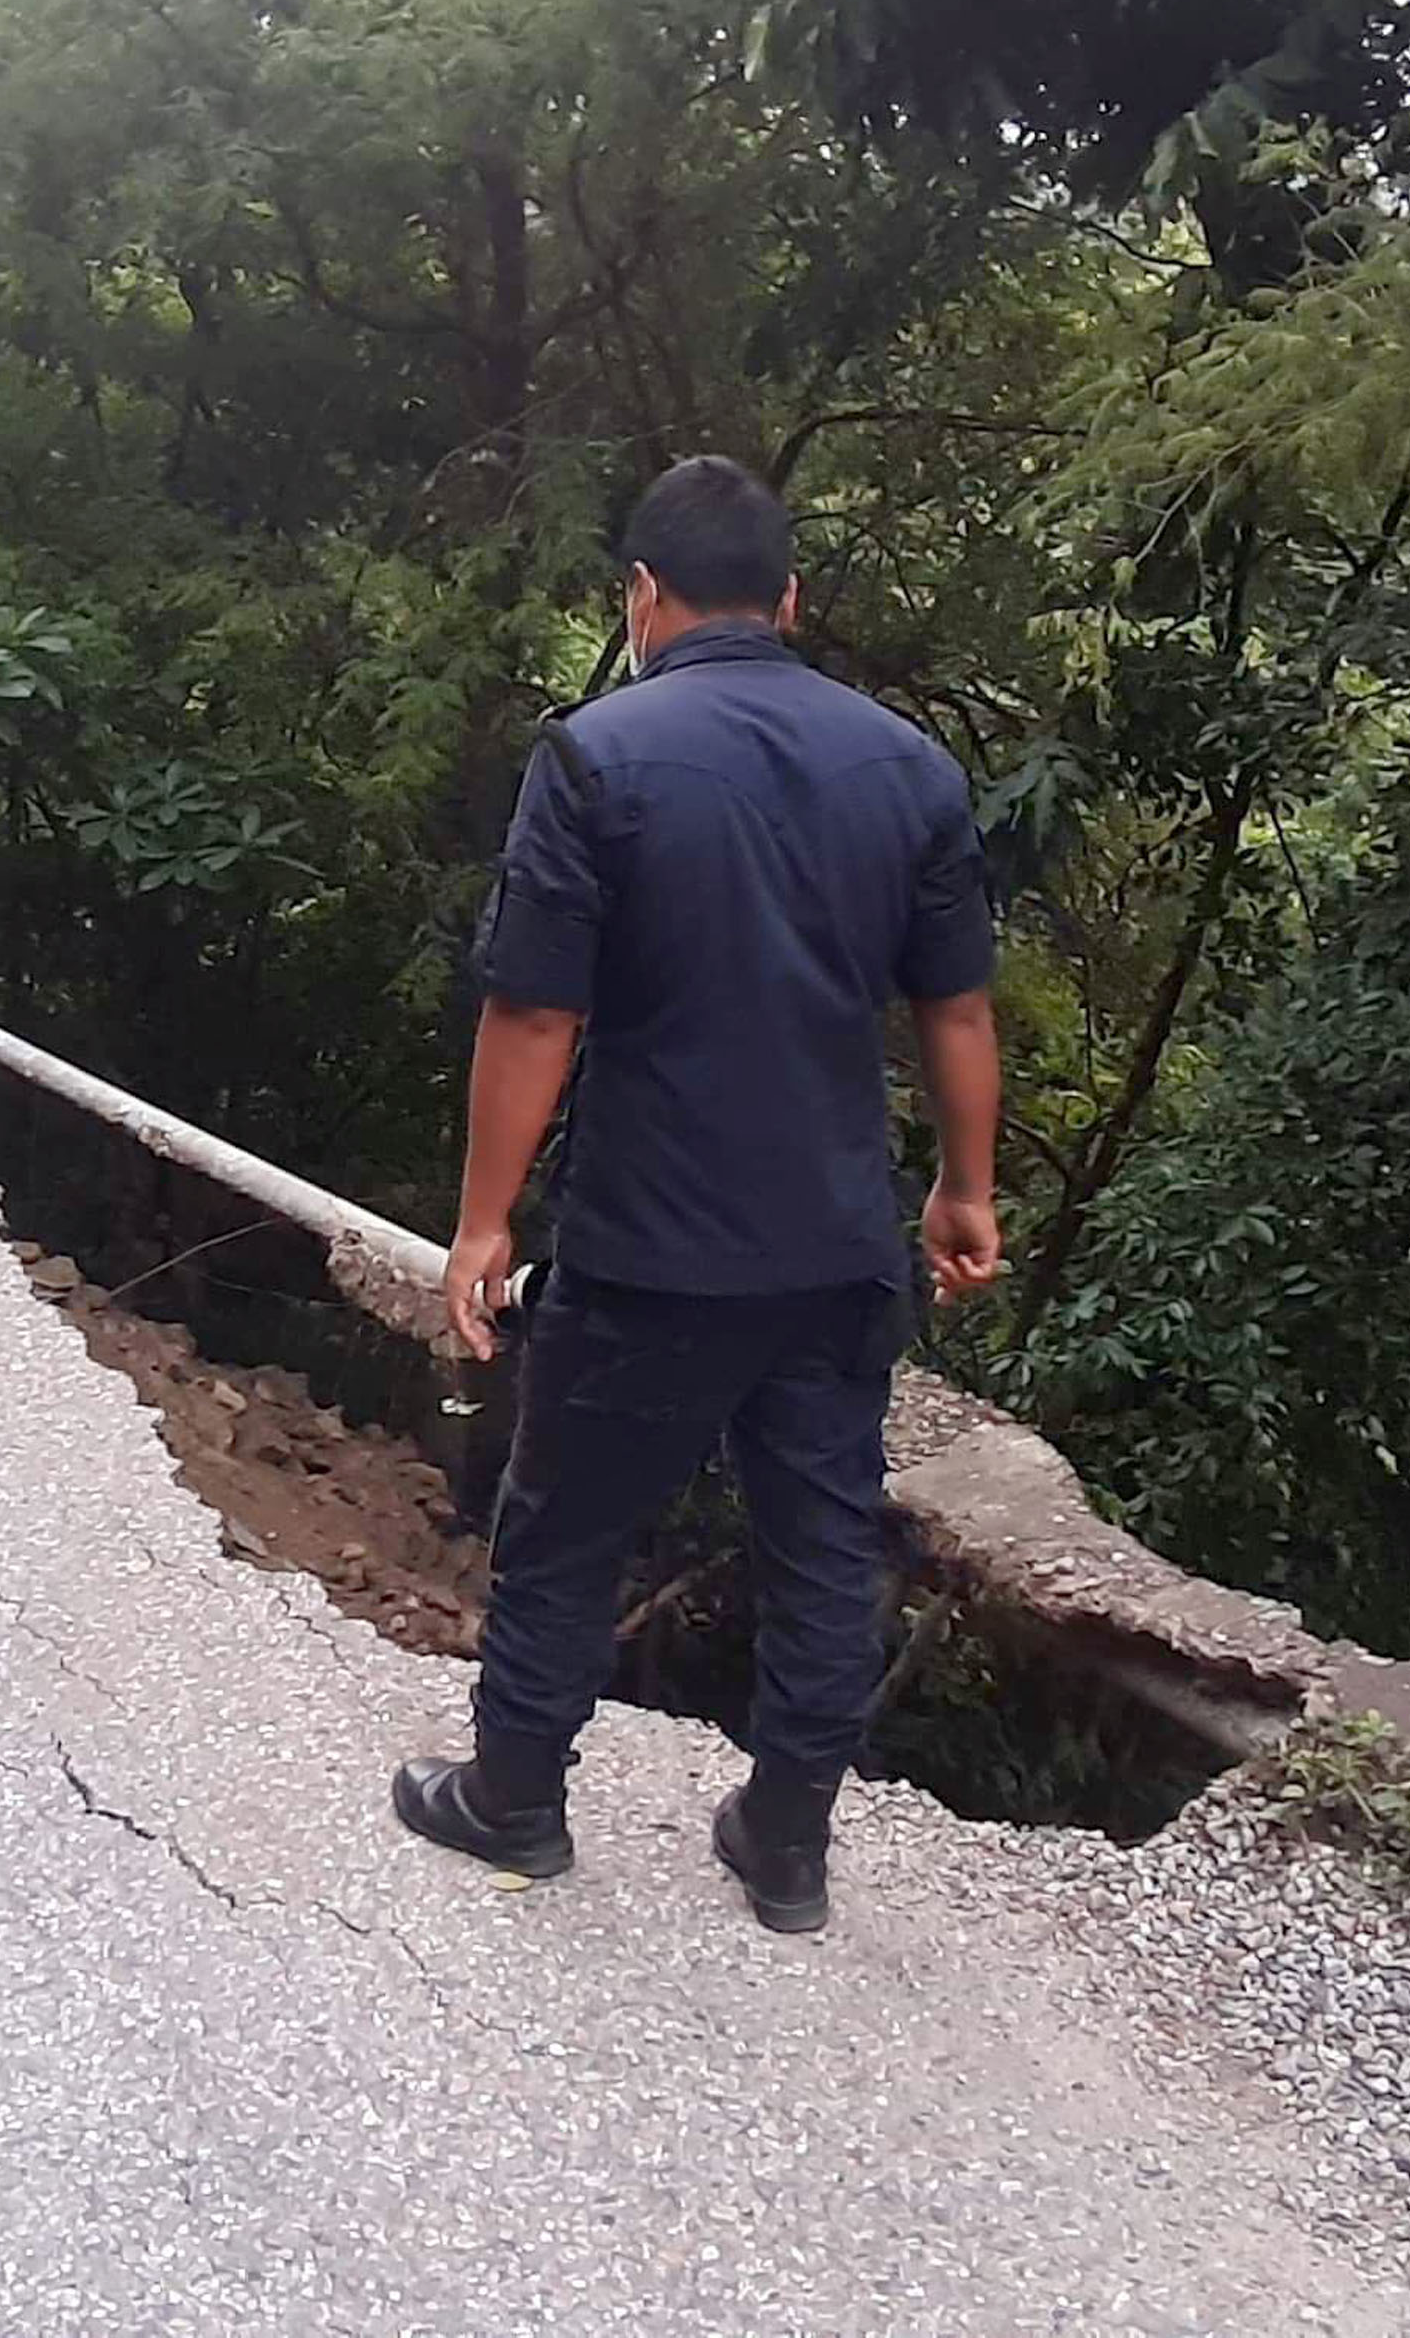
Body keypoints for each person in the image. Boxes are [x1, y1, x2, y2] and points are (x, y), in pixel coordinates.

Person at [390, 455, 1004, 1934]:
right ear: (791, 600)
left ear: (644, 599)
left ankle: (516, 1801)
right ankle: (786, 1840)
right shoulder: (910, 769)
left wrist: (484, 1221)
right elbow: (959, 1009)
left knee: (567, 1523)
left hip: (652, 1243)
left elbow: (537, 1016)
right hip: (835, 1244)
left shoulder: (599, 757)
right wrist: (965, 1190)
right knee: (820, 1539)